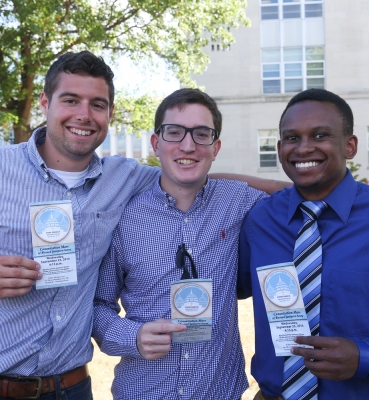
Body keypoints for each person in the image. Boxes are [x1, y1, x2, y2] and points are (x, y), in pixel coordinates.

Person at [0, 51, 287, 399]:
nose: (84, 115)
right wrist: (131, 337)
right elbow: (101, 305)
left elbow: (187, 171)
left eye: (97, 104)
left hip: (74, 386)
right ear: (45, 102)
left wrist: (331, 190)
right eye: (71, 100)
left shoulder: (124, 180)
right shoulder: (6, 169)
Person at [92, 88, 268, 399]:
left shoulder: (238, 200)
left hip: (219, 392)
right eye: (174, 132)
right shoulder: (124, 217)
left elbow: (299, 195)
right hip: (144, 391)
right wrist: (132, 336)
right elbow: (97, 306)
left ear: (216, 147)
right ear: (156, 143)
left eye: (202, 134)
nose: (188, 145)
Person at [238, 88, 369, 400]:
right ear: (280, 147)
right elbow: (233, 288)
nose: (304, 148)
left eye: (321, 135)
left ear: (349, 146)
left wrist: (363, 357)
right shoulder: (260, 220)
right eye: (292, 138)